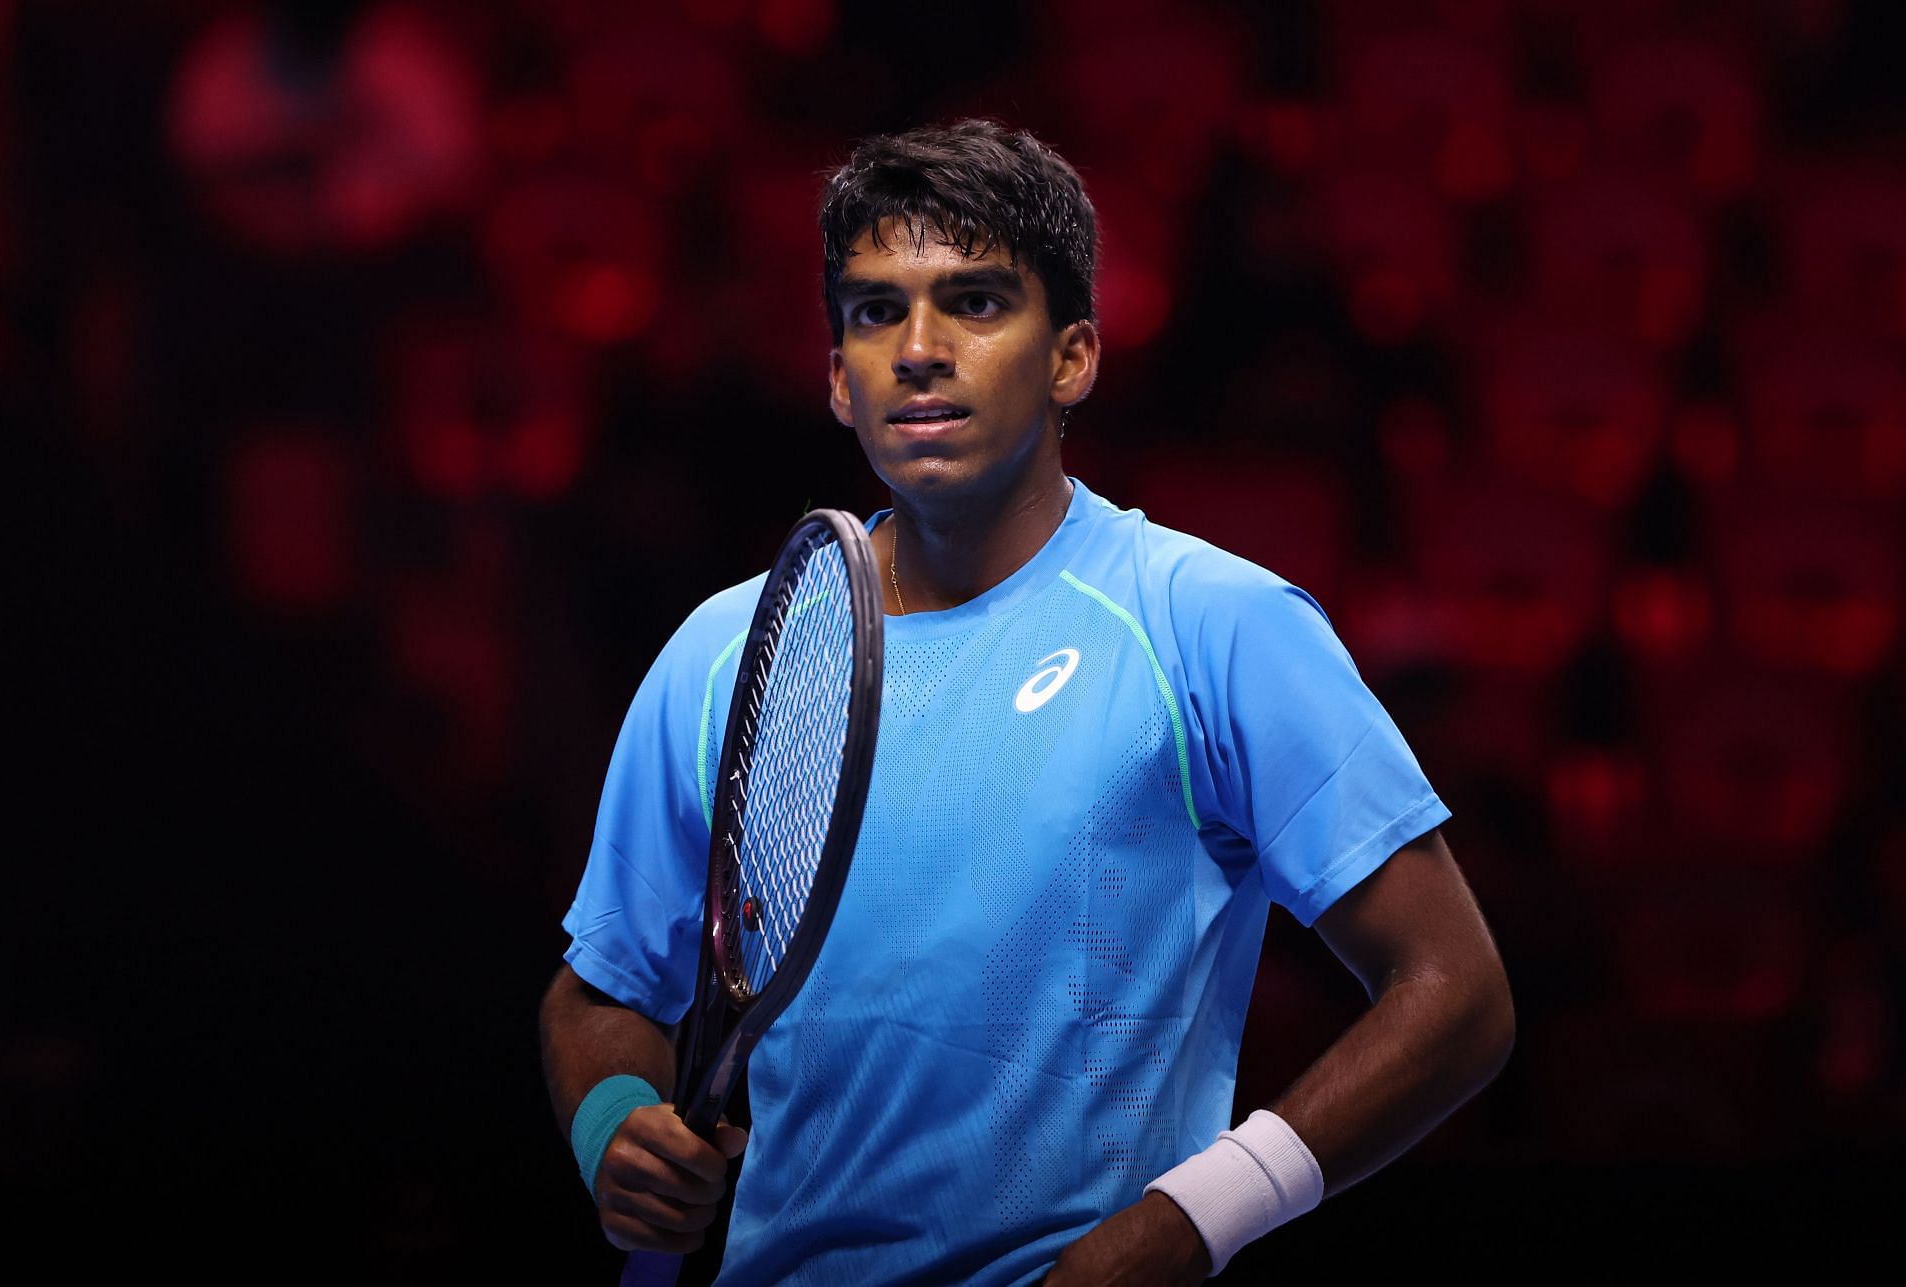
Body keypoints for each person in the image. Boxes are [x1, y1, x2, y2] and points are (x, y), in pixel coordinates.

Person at [540, 118, 1514, 1285]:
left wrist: (1180, 1227)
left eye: (977, 304)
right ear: (837, 382)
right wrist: (614, 1130)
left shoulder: (1213, 625)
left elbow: (1456, 996)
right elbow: (598, 994)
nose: (919, 349)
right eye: (874, 311)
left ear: (1074, 358)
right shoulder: (722, 656)